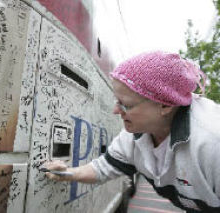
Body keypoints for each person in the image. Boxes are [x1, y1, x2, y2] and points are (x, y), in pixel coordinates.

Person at [43, 51, 220, 212]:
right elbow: (104, 168)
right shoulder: (135, 136)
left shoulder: (212, 143)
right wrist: (67, 173)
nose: (115, 111)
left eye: (125, 104)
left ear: (165, 105)